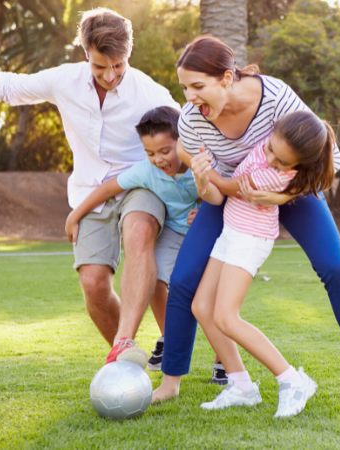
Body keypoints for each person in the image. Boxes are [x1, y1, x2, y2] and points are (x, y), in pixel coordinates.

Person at [152, 35, 340, 405]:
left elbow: (330, 161)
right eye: (184, 87)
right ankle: (174, 381)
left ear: (227, 78)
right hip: (232, 193)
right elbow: (209, 184)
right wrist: (201, 178)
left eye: (198, 86)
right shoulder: (194, 120)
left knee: (335, 267)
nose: (189, 98)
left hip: (294, 190)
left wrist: (281, 196)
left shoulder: (274, 97)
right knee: (183, 280)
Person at [0, 8, 180, 367]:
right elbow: (0, 85)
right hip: (89, 192)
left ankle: (127, 341)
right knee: (94, 283)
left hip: (139, 185)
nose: (110, 76)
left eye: (119, 66)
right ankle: (128, 357)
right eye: (100, 67)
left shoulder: (150, 93)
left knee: (139, 231)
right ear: (85, 54)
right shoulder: (65, 80)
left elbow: (188, 135)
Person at [191, 110, 335, 417]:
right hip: (231, 232)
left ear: (297, 166)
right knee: (201, 307)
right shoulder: (269, 143)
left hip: (250, 238)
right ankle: (241, 386)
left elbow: (231, 187)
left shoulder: (276, 175)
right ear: (271, 133)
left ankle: (292, 380)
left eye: (283, 162)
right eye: (270, 149)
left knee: (226, 317)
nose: (271, 160)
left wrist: (201, 167)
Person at [64, 106, 222, 375]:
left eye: (164, 151)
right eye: (150, 153)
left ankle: (223, 359)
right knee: (155, 279)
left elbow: (224, 195)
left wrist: (205, 211)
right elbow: (108, 188)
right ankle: (170, 339)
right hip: (173, 232)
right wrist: (75, 215)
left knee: (210, 295)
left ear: (182, 142)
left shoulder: (203, 162)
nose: (158, 159)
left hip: (206, 232)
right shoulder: (147, 172)